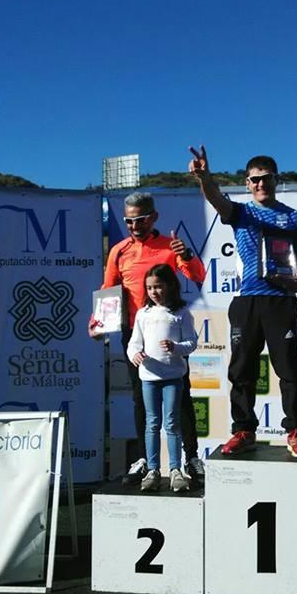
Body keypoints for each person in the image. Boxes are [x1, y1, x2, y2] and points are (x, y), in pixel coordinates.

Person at [188, 146, 297, 458]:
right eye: (255, 180)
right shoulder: (241, 213)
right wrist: (204, 178)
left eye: (266, 178)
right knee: (242, 370)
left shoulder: (295, 218)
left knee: (291, 370)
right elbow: (216, 199)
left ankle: (296, 430)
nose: (261, 184)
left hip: (281, 302)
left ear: (276, 180)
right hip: (247, 302)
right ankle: (244, 430)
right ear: (247, 184)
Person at [89, 191, 207, 486]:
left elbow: (197, 275)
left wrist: (186, 255)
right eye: (129, 221)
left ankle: (191, 458)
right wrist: (97, 323)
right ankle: (145, 460)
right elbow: (108, 288)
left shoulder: (170, 245)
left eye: (140, 219)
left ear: (153, 217)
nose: (134, 226)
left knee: (181, 396)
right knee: (141, 398)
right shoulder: (119, 251)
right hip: (136, 333)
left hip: (169, 331)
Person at [127, 264, 199, 492]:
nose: (154, 292)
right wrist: (134, 355)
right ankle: (153, 470)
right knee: (152, 423)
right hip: (149, 377)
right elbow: (133, 343)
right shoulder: (143, 314)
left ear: (170, 286)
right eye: (149, 288)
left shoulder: (181, 313)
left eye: (158, 286)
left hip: (173, 378)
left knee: (172, 423)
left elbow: (192, 342)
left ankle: (176, 470)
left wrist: (175, 347)